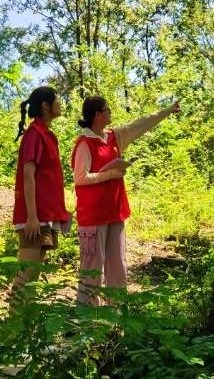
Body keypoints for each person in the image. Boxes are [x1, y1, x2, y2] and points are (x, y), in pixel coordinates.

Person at [72, 95, 180, 303]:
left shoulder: (115, 136)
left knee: (118, 265)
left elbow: (139, 125)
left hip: (115, 211)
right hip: (93, 216)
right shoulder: (85, 143)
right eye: (107, 110)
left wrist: (166, 111)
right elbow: (80, 178)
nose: (110, 112)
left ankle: (116, 316)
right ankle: (85, 322)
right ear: (97, 115)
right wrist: (110, 174)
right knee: (92, 268)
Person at [11, 86, 71, 290]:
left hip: (45, 215)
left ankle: (25, 321)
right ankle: (14, 320)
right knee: (25, 276)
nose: (60, 103)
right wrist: (31, 216)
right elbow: (28, 175)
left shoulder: (48, 135)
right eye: (57, 100)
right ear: (45, 105)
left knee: (32, 277)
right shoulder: (34, 134)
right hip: (34, 218)